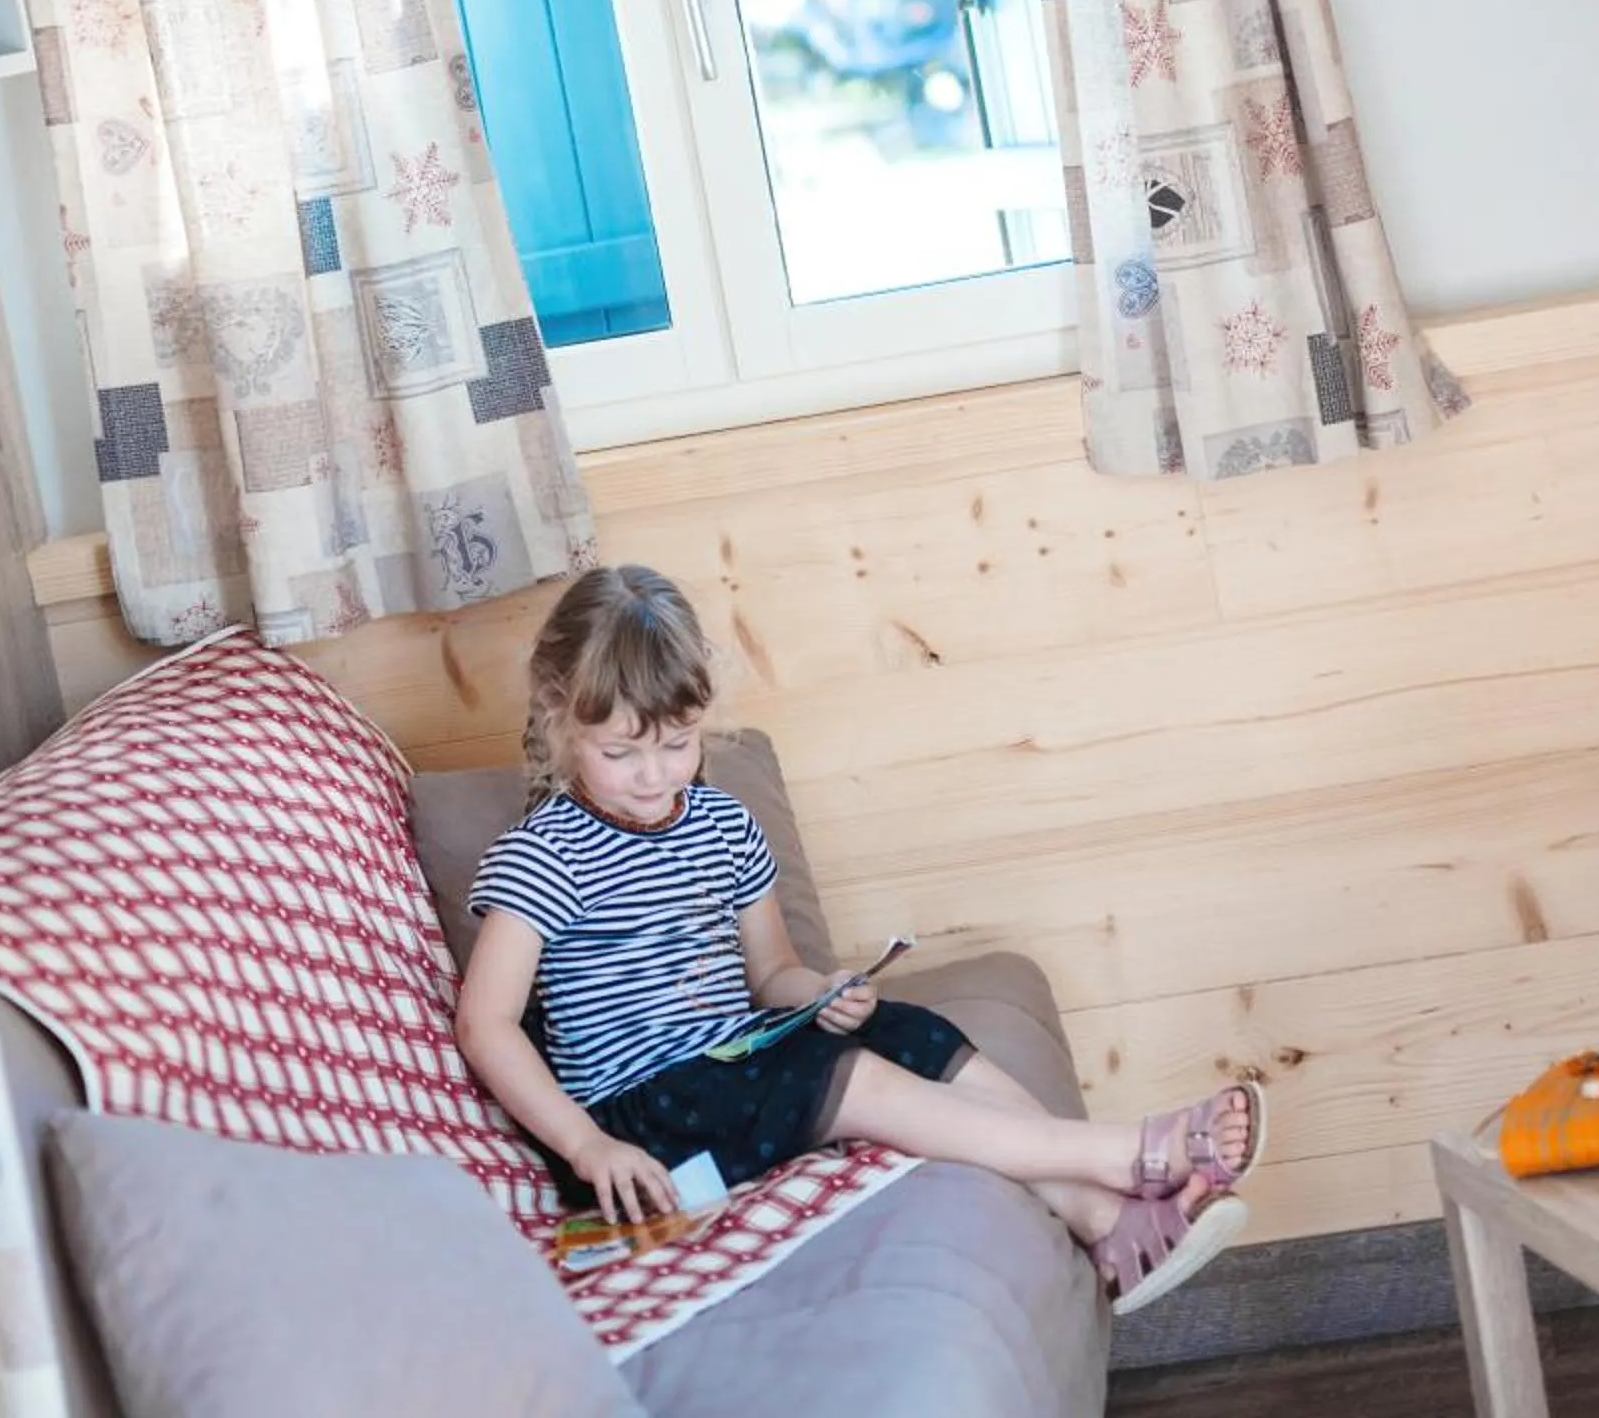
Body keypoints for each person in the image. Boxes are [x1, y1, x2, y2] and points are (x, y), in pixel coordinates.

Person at [454, 563, 1264, 1317]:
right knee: (850, 1079)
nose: (654, 775)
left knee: (911, 1032)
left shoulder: (724, 826)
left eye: (676, 744)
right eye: (620, 752)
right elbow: (485, 1024)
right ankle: (1127, 1155)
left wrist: (823, 992)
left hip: (734, 1062)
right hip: (643, 1117)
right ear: (563, 722)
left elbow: (771, 972)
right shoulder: (544, 856)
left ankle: (1104, 1223)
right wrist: (586, 1145)